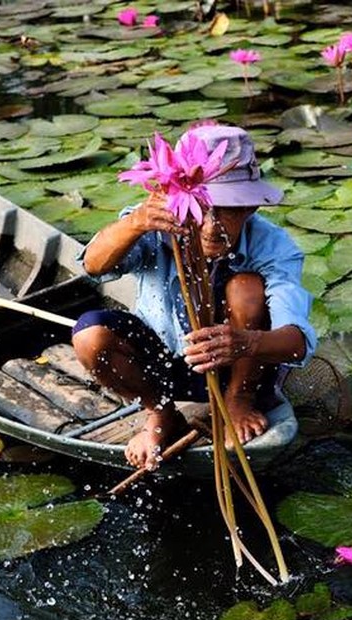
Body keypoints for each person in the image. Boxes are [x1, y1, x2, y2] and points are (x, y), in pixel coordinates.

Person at [71, 124, 317, 470]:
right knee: (89, 335)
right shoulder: (154, 224)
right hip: (167, 365)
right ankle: (160, 413)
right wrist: (136, 224)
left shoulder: (274, 247)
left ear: (249, 208)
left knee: (245, 286)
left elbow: (298, 343)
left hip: (238, 369)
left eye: (227, 210)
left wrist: (245, 342)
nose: (211, 225)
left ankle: (238, 400)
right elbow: (94, 266)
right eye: (200, 208)